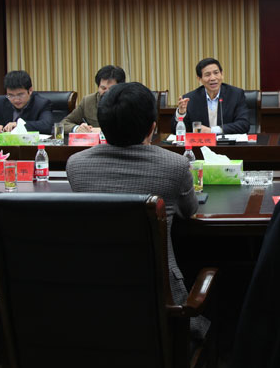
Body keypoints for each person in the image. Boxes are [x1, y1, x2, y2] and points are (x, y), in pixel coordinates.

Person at [66, 82, 206, 337]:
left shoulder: (75, 165)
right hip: (162, 306)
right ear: (152, 128)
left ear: (102, 126)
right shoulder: (175, 165)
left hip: (94, 300)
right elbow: (189, 210)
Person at [172, 57, 249, 134]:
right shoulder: (190, 99)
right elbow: (176, 131)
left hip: (227, 141)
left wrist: (212, 130)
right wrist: (181, 113)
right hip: (202, 141)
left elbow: (244, 125)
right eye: (207, 75)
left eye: (216, 73)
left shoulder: (236, 94)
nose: (213, 78)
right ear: (199, 79)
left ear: (222, 74)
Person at [0, 69, 54, 134]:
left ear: (30, 90)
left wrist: (19, 125)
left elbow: (46, 126)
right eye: (11, 95)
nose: (16, 100)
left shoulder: (41, 103)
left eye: (20, 95)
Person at [60, 65, 126, 133]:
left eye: (111, 89)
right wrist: (77, 128)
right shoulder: (88, 101)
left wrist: (102, 131)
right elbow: (63, 124)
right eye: (103, 88)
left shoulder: (129, 101)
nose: (106, 92)